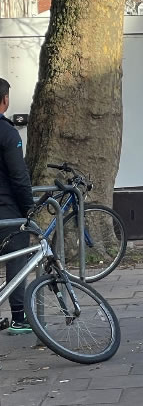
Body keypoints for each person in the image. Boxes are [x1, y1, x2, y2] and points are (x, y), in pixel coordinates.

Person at [0, 78, 34, 335]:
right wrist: (28, 207)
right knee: (17, 259)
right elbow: (19, 176)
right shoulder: (8, 133)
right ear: (5, 100)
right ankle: (19, 317)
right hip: (6, 207)